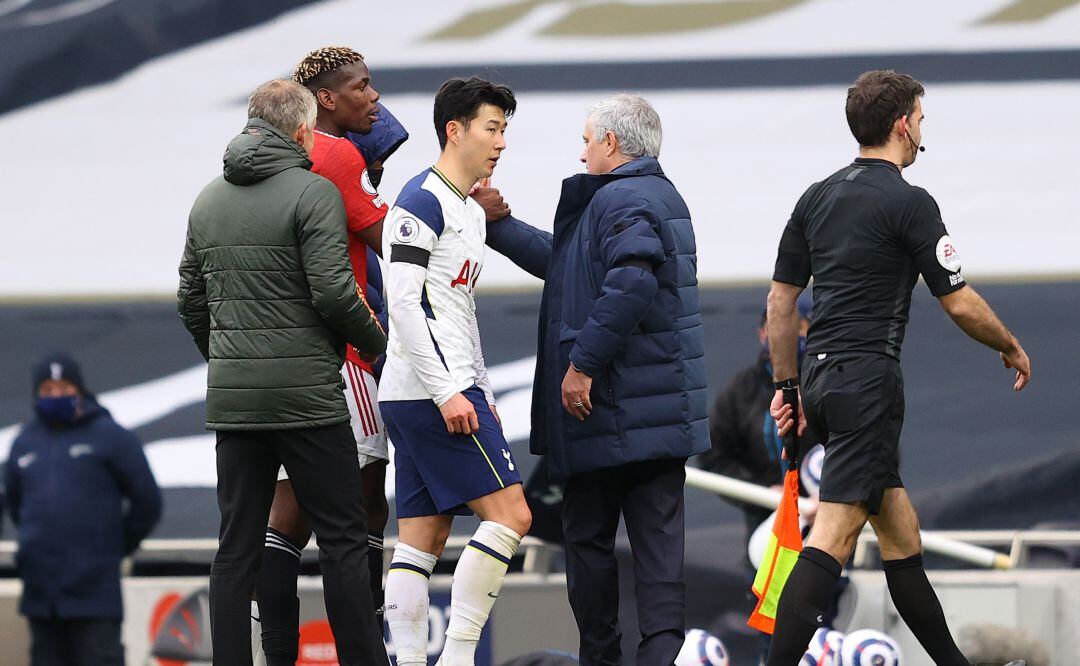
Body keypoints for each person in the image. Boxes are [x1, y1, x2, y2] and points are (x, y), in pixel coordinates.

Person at [764, 69, 1031, 666]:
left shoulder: (815, 197)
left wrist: (788, 386)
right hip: (868, 381)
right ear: (903, 125)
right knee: (833, 534)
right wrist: (1008, 343)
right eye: (921, 121)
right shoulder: (910, 202)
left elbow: (780, 305)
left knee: (900, 531)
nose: (920, 134)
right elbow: (957, 298)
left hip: (822, 378)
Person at [482, 93, 709, 666]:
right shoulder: (657, 195)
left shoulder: (621, 197)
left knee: (588, 547)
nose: (582, 151)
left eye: (587, 140)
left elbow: (631, 282)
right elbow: (570, 264)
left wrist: (581, 365)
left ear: (611, 143)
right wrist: (501, 226)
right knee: (660, 559)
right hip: (658, 418)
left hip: (602, 413)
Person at [177, 79, 387, 666]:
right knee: (344, 541)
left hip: (237, 403)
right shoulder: (313, 191)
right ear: (302, 132)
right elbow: (335, 294)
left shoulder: (207, 198)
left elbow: (190, 301)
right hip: (310, 400)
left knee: (235, 549)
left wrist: (228, 360)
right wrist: (377, 344)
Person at [251, 46, 396, 665]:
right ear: (327, 101)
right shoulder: (336, 155)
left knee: (286, 512)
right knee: (362, 505)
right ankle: (367, 650)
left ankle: (275, 652)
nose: (375, 98)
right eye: (362, 88)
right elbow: (390, 235)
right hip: (343, 354)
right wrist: (470, 214)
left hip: (273, 355)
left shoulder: (266, 163)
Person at [379, 77, 531, 666]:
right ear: (454, 130)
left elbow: (456, 307)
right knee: (514, 514)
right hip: (431, 392)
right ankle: (460, 656)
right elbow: (404, 304)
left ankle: (411, 661)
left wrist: (482, 388)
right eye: (492, 128)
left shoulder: (467, 206)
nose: (500, 143)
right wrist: (449, 391)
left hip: (428, 390)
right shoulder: (421, 201)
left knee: (422, 537)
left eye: (503, 131)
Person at [4, 353, 161, 666]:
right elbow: (15, 503)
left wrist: (112, 546)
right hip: (41, 595)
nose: (55, 396)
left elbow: (147, 501)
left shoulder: (112, 436)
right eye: (47, 390)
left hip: (95, 594)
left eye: (63, 387)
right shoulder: (24, 442)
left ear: (79, 389)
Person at [699, 299, 813, 544]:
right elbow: (713, 457)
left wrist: (832, 497)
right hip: (764, 524)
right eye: (776, 326)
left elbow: (867, 447)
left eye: (797, 326)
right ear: (762, 333)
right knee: (767, 581)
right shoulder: (739, 391)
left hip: (826, 520)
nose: (786, 334)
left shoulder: (829, 383)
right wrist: (761, 492)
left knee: (821, 580)